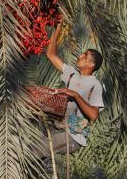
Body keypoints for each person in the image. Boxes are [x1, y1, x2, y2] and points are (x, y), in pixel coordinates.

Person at [41, 23, 105, 155]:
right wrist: (57, 28)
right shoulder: (71, 74)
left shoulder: (95, 85)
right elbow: (51, 55)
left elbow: (93, 115)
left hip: (73, 136)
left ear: (91, 64)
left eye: (85, 56)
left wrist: (75, 95)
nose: (80, 56)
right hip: (57, 127)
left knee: (35, 149)